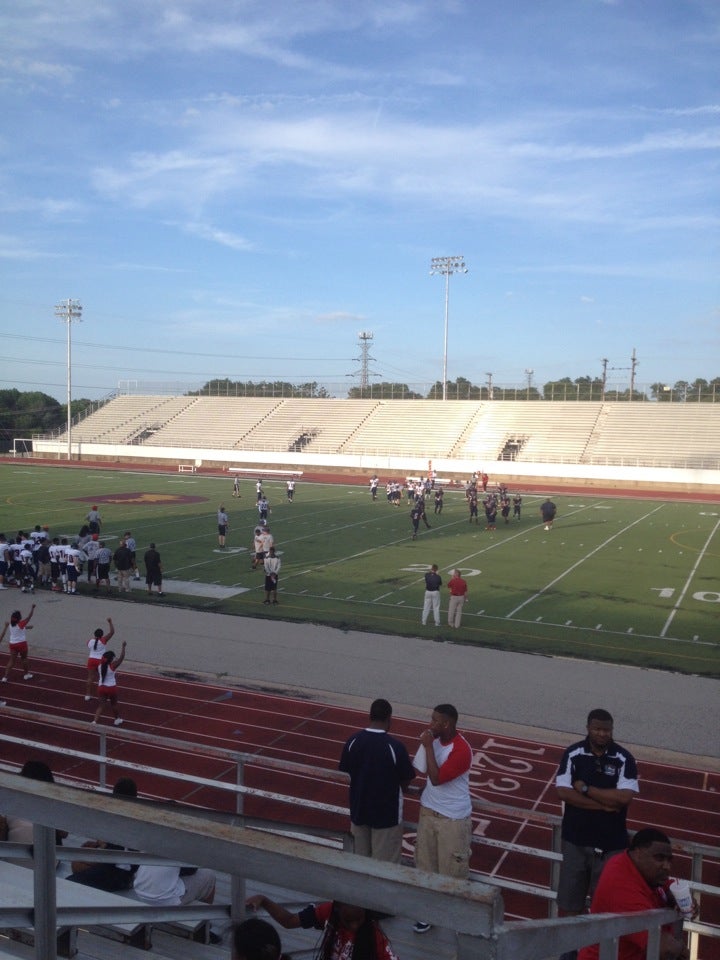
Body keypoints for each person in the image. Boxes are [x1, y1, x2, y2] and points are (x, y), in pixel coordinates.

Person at [555, 708, 639, 923]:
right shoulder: (573, 754)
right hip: (575, 841)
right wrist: (603, 805)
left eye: (607, 730)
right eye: (597, 729)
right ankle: (570, 955)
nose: (602, 734)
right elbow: (563, 792)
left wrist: (585, 790)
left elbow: (623, 798)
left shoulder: (623, 758)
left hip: (611, 846)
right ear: (588, 729)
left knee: (605, 909)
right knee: (570, 906)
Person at [577, 828, 694, 960]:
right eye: (659, 858)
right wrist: (682, 949)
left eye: (669, 860)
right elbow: (665, 949)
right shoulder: (621, 886)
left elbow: (668, 885)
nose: (667, 866)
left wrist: (675, 895)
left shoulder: (638, 868)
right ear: (637, 853)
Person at [412, 703, 473, 933]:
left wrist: (428, 746)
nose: (431, 724)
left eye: (435, 720)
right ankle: (427, 914)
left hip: (452, 819)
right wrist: (427, 746)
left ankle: (456, 920)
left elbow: (437, 778)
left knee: (452, 871)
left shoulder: (461, 749)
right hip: (429, 811)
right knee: (426, 865)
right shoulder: (435, 741)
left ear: (447, 724)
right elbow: (421, 769)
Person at [338, 698, 415, 863]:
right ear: (389, 718)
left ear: (370, 716)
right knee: (385, 866)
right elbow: (406, 779)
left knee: (357, 862)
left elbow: (346, 770)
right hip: (386, 816)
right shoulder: (395, 747)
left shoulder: (353, 741)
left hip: (359, 811)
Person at [246, 895, 398, 960]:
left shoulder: (374, 936)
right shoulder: (328, 911)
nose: (354, 926)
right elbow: (290, 921)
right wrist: (264, 901)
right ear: (337, 909)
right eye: (348, 921)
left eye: (359, 920)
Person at [67, 777, 139, 891]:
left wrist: (101, 846)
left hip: (117, 872)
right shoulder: (137, 816)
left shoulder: (117, 817)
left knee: (73, 874)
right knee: (79, 861)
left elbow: (113, 852)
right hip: (123, 866)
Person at [92, 642, 127, 726]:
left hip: (101, 687)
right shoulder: (112, 666)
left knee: (101, 705)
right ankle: (117, 719)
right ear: (111, 659)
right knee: (114, 704)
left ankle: (94, 721)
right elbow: (121, 658)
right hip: (111, 688)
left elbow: (97, 670)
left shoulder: (100, 666)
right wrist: (123, 647)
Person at [1, 605, 35, 682]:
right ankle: (26, 675)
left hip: (12, 644)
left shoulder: (10, 624)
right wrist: (32, 608)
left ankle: (5, 677)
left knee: (11, 661)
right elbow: (29, 617)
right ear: (19, 618)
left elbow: (19, 629)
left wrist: (28, 627)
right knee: (24, 659)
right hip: (22, 644)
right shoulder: (21, 624)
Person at [85, 617, 115, 700]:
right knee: (102, 678)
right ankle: (102, 696)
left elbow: (89, 645)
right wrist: (110, 622)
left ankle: (87, 695)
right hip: (100, 661)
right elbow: (112, 632)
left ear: (94, 634)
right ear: (102, 635)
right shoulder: (103, 640)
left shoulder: (90, 641)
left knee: (90, 678)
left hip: (91, 660)